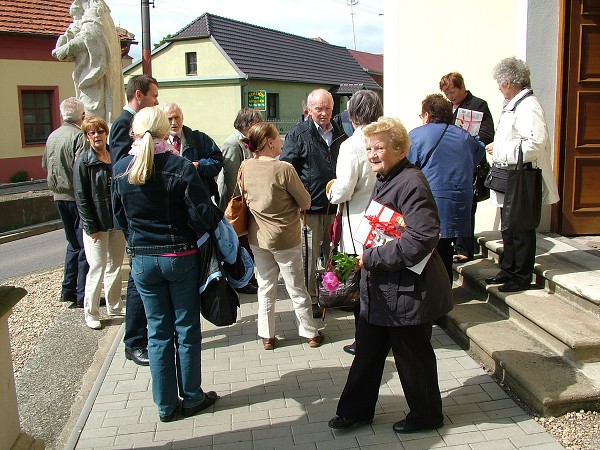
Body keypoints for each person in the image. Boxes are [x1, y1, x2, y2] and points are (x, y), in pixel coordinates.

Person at [328, 117, 453, 434]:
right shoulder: (385, 177)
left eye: (379, 148)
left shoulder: (411, 182)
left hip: (407, 291)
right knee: (368, 352)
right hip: (383, 288)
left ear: (399, 149)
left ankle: (427, 415)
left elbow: (422, 238)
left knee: (413, 357)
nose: (372, 154)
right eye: (368, 148)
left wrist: (370, 257)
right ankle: (355, 411)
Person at [112, 106, 221, 422]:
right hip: (179, 257)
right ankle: (192, 396)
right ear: (166, 132)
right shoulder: (181, 167)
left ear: (134, 132)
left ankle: (165, 406)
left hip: (143, 260)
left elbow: (119, 218)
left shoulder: (120, 169)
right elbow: (201, 215)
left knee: (157, 332)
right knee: (186, 328)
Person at [241, 122, 324, 350]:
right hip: (285, 237)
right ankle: (309, 333)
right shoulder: (284, 169)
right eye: (278, 137)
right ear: (269, 142)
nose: (281, 141)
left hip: (258, 237)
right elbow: (305, 201)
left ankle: (267, 336)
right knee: (296, 287)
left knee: (265, 286)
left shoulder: (245, 167)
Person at [485, 57, 559, 293]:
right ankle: (508, 269)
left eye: (499, 82)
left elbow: (535, 144)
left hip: (522, 176)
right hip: (510, 174)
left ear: (508, 81)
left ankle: (521, 276)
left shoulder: (529, 106)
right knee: (509, 227)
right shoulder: (515, 104)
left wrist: (500, 150)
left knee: (520, 228)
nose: (498, 87)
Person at [280, 88, 348, 318]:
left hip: (336, 207)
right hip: (310, 209)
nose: (324, 113)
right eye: (319, 108)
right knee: (308, 259)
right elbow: (286, 170)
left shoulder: (340, 134)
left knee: (335, 255)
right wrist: (299, 200)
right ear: (309, 110)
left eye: (328, 108)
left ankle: (333, 294)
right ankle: (311, 300)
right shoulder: (298, 134)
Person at [325, 89, 383, 355]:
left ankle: (365, 341)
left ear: (352, 114)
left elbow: (344, 189)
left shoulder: (352, 145)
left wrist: (330, 190)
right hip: (385, 222)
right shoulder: (387, 138)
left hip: (358, 225)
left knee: (362, 287)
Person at [109, 74, 159, 367]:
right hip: (135, 219)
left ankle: (146, 336)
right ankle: (134, 342)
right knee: (137, 284)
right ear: (138, 95)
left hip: (142, 219)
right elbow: (121, 173)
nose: (156, 101)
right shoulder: (122, 125)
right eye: (153, 95)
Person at [408, 94, 484, 282]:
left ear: (427, 114)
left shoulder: (417, 135)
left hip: (430, 201)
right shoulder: (464, 136)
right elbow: (478, 153)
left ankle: (434, 299)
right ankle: (446, 295)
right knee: (445, 251)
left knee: (428, 253)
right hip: (458, 201)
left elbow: (408, 167)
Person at [73, 116, 126, 329]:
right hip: (96, 224)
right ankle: (91, 312)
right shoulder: (84, 162)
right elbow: (81, 197)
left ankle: (114, 306)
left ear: (106, 134)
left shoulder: (114, 155)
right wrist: (90, 225)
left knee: (115, 266)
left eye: (100, 132)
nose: (97, 136)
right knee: (97, 267)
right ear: (87, 137)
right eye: (92, 133)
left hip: (116, 221)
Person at [440, 72, 495, 263]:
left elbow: (488, 134)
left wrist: (466, 138)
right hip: (448, 164)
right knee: (451, 204)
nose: (451, 97)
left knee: (466, 206)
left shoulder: (478, 105)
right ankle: (452, 244)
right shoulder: (446, 108)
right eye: (447, 93)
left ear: (462, 87)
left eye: (453, 91)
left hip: (469, 164)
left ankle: (465, 248)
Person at [42, 97, 89, 307]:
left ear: (62, 115)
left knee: (72, 244)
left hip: (58, 195)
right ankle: (81, 294)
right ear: (81, 116)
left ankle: (67, 290)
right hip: (75, 196)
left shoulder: (52, 136)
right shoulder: (79, 136)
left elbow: (45, 164)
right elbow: (81, 168)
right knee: (83, 246)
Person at [52, 0, 124, 123]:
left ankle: (94, 139)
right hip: (93, 78)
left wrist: (65, 49)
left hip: (94, 79)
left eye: (77, 15)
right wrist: (67, 37)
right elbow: (80, 30)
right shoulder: (102, 15)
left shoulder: (95, 11)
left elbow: (88, 36)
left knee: (91, 115)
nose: (75, 19)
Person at [216, 107, 262, 294]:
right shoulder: (232, 144)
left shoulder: (243, 142)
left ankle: (247, 278)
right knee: (238, 244)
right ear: (248, 124)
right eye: (257, 124)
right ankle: (242, 280)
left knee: (245, 243)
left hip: (243, 203)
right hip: (234, 204)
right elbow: (232, 180)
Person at [161, 102, 223, 204]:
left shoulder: (200, 139)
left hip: (198, 200)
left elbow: (217, 161)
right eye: (169, 119)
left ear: (182, 118)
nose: (174, 122)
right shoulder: (159, 143)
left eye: (177, 118)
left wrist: (199, 166)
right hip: (171, 200)